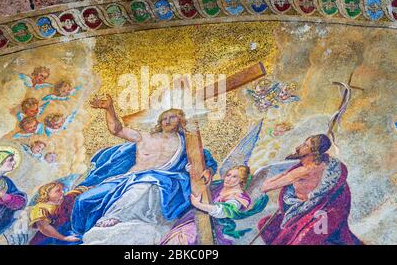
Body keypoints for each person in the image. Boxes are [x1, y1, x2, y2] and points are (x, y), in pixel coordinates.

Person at [71, 94, 217, 245]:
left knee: (142, 186)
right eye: (164, 118)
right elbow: (117, 129)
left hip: (157, 179)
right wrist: (109, 108)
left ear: (181, 120)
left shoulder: (186, 143)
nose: (167, 121)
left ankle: (117, 215)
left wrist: (207, 171)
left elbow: (205, 161)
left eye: (172, 117)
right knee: (84, 200)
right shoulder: (145, 137)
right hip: (126, 179)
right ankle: (80, 233)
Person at [258, 134, 362, 245]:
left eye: (305, 145)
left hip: (306, 215)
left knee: (269, 229)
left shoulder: (304, 171)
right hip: (312, 212)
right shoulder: (324, 164)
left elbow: (265, 187)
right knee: (266, 225)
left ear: (313, 152)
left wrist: (285, 174)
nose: (299, 147)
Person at [160, 165, 268, 245]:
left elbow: (222, 211)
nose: (228, 179)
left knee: (183, 240)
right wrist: (192, 171)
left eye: (234, 177)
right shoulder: (220, 185)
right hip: (191, 219)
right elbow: (204, 185)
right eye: (228, 175)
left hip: (208, 226)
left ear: (241, 181)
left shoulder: (239, 198)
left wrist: (198, 204)